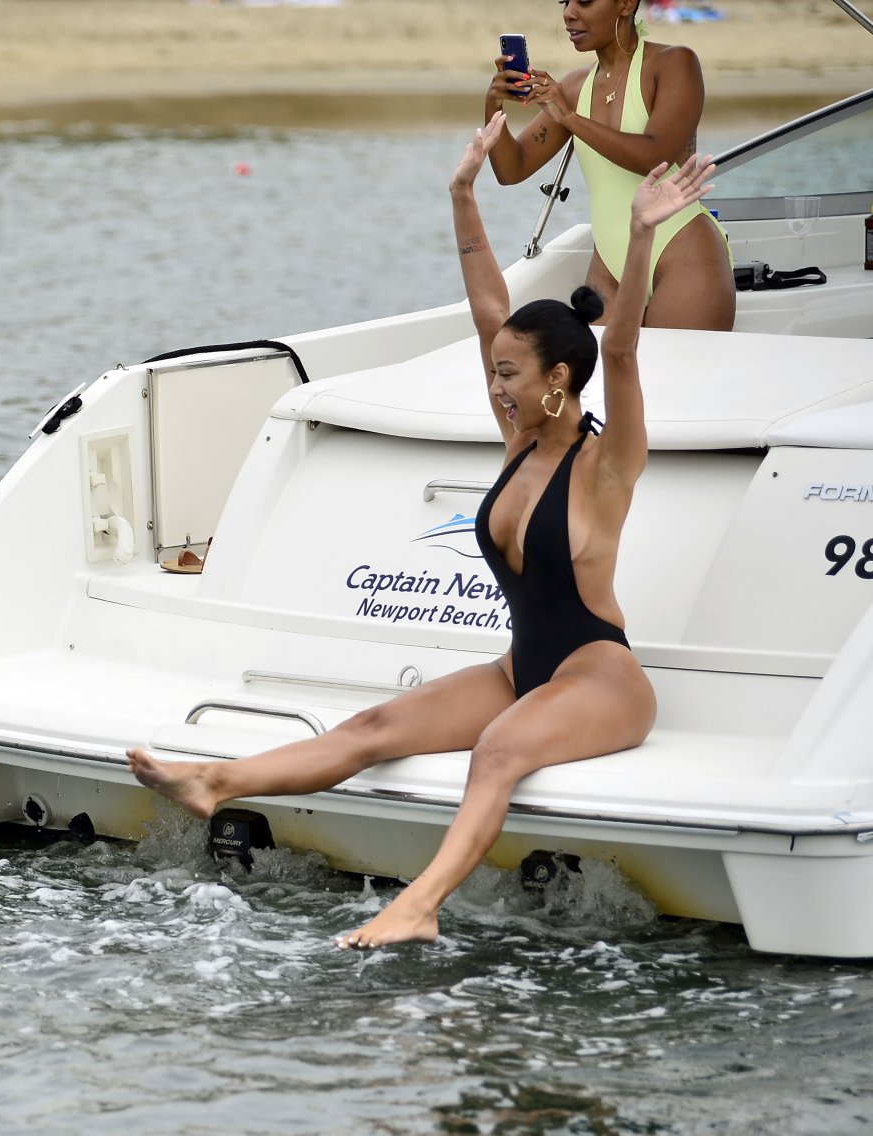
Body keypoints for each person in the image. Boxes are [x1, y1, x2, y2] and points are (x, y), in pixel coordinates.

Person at [129, 115, 717, 949]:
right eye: (495, 373)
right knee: (374, 728)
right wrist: (462, 193)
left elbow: (619, 352)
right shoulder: (518, 442)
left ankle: (420, 905)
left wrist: (643, 231)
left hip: (602, 678)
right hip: (522, 668)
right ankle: (214, 782)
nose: (496, 386)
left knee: (498, 751)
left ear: (558, 377)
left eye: (510, 374)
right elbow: (488, 309)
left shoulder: (609, 463)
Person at [484, 0, 732, 330]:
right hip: (609, 265)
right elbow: (511, 170)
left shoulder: (674, 63)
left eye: (584, 1)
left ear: (626, 4)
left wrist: (570, 118)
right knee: (602, 366)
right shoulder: (573, 88)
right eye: (565, 2)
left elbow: (653, 158)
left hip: (682, 255)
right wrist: (493, 104)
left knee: (675, 365)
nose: (568, 13)